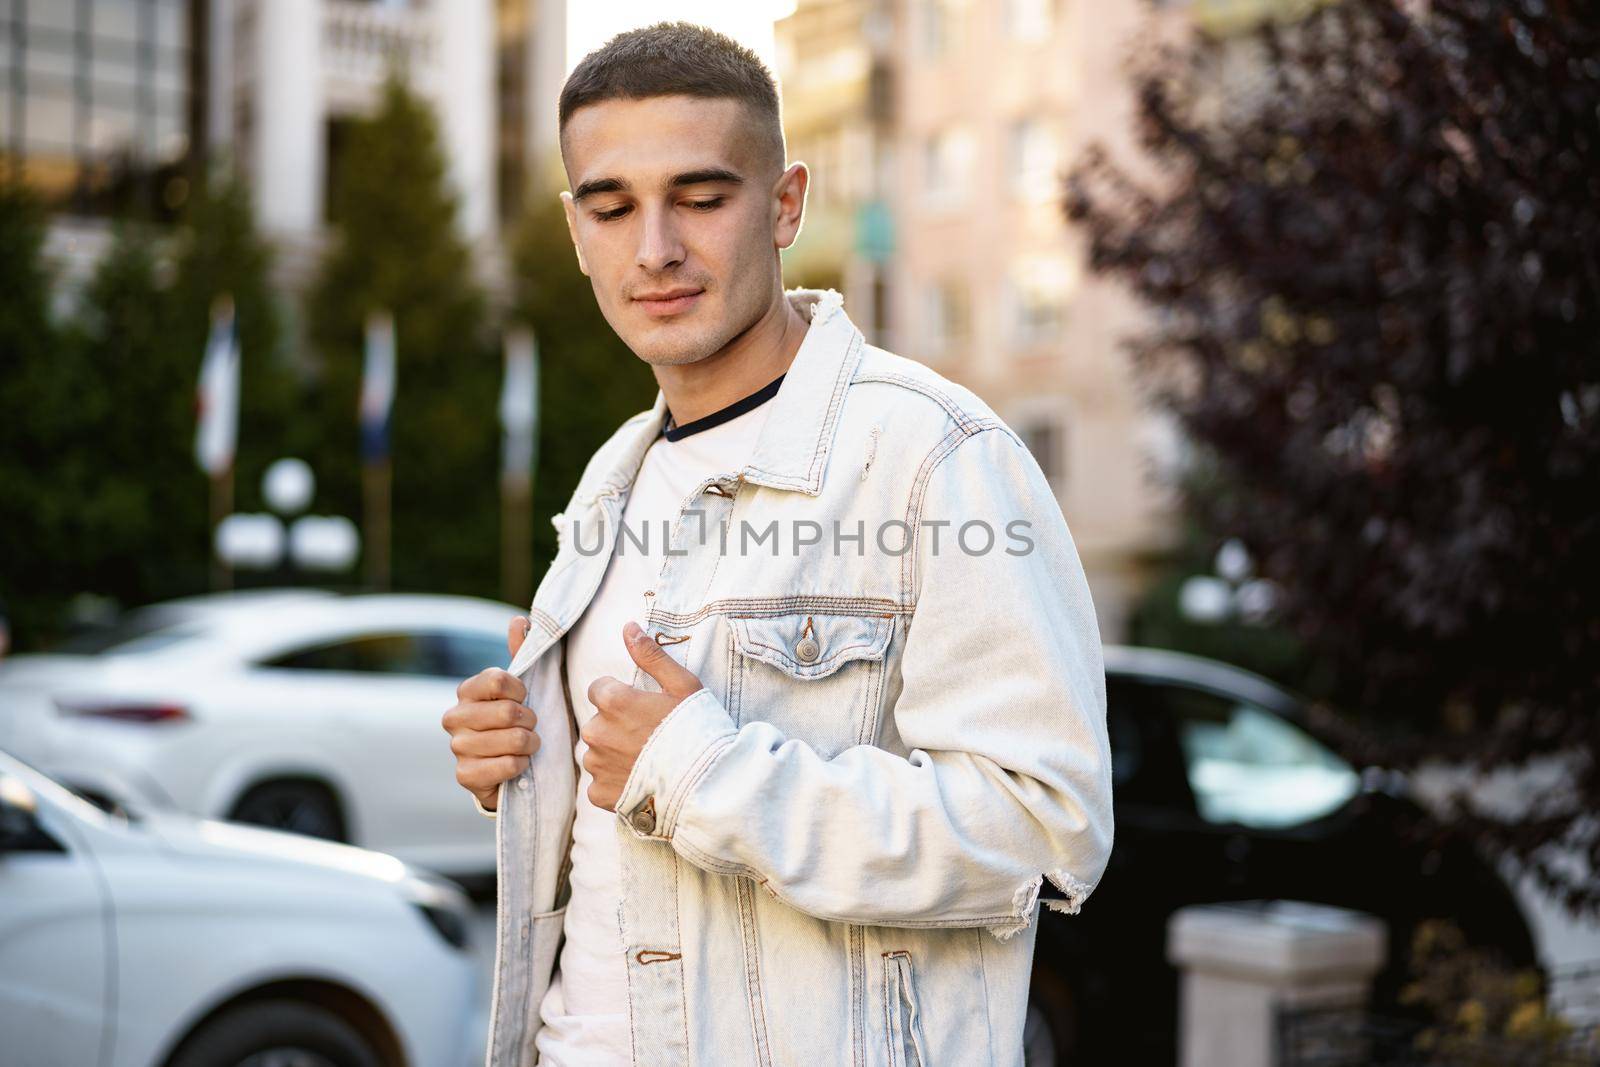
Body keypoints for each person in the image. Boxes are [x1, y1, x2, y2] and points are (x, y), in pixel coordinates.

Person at [440, 22, 1113, 1067]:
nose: (654, 248)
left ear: (786, 203)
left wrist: (704, 773)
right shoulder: (615, 472)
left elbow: (1044, 830)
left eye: (701, 199)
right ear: (577, 233)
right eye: (611, 208)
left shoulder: (934, 453)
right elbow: (612, 823)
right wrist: (520, 756)